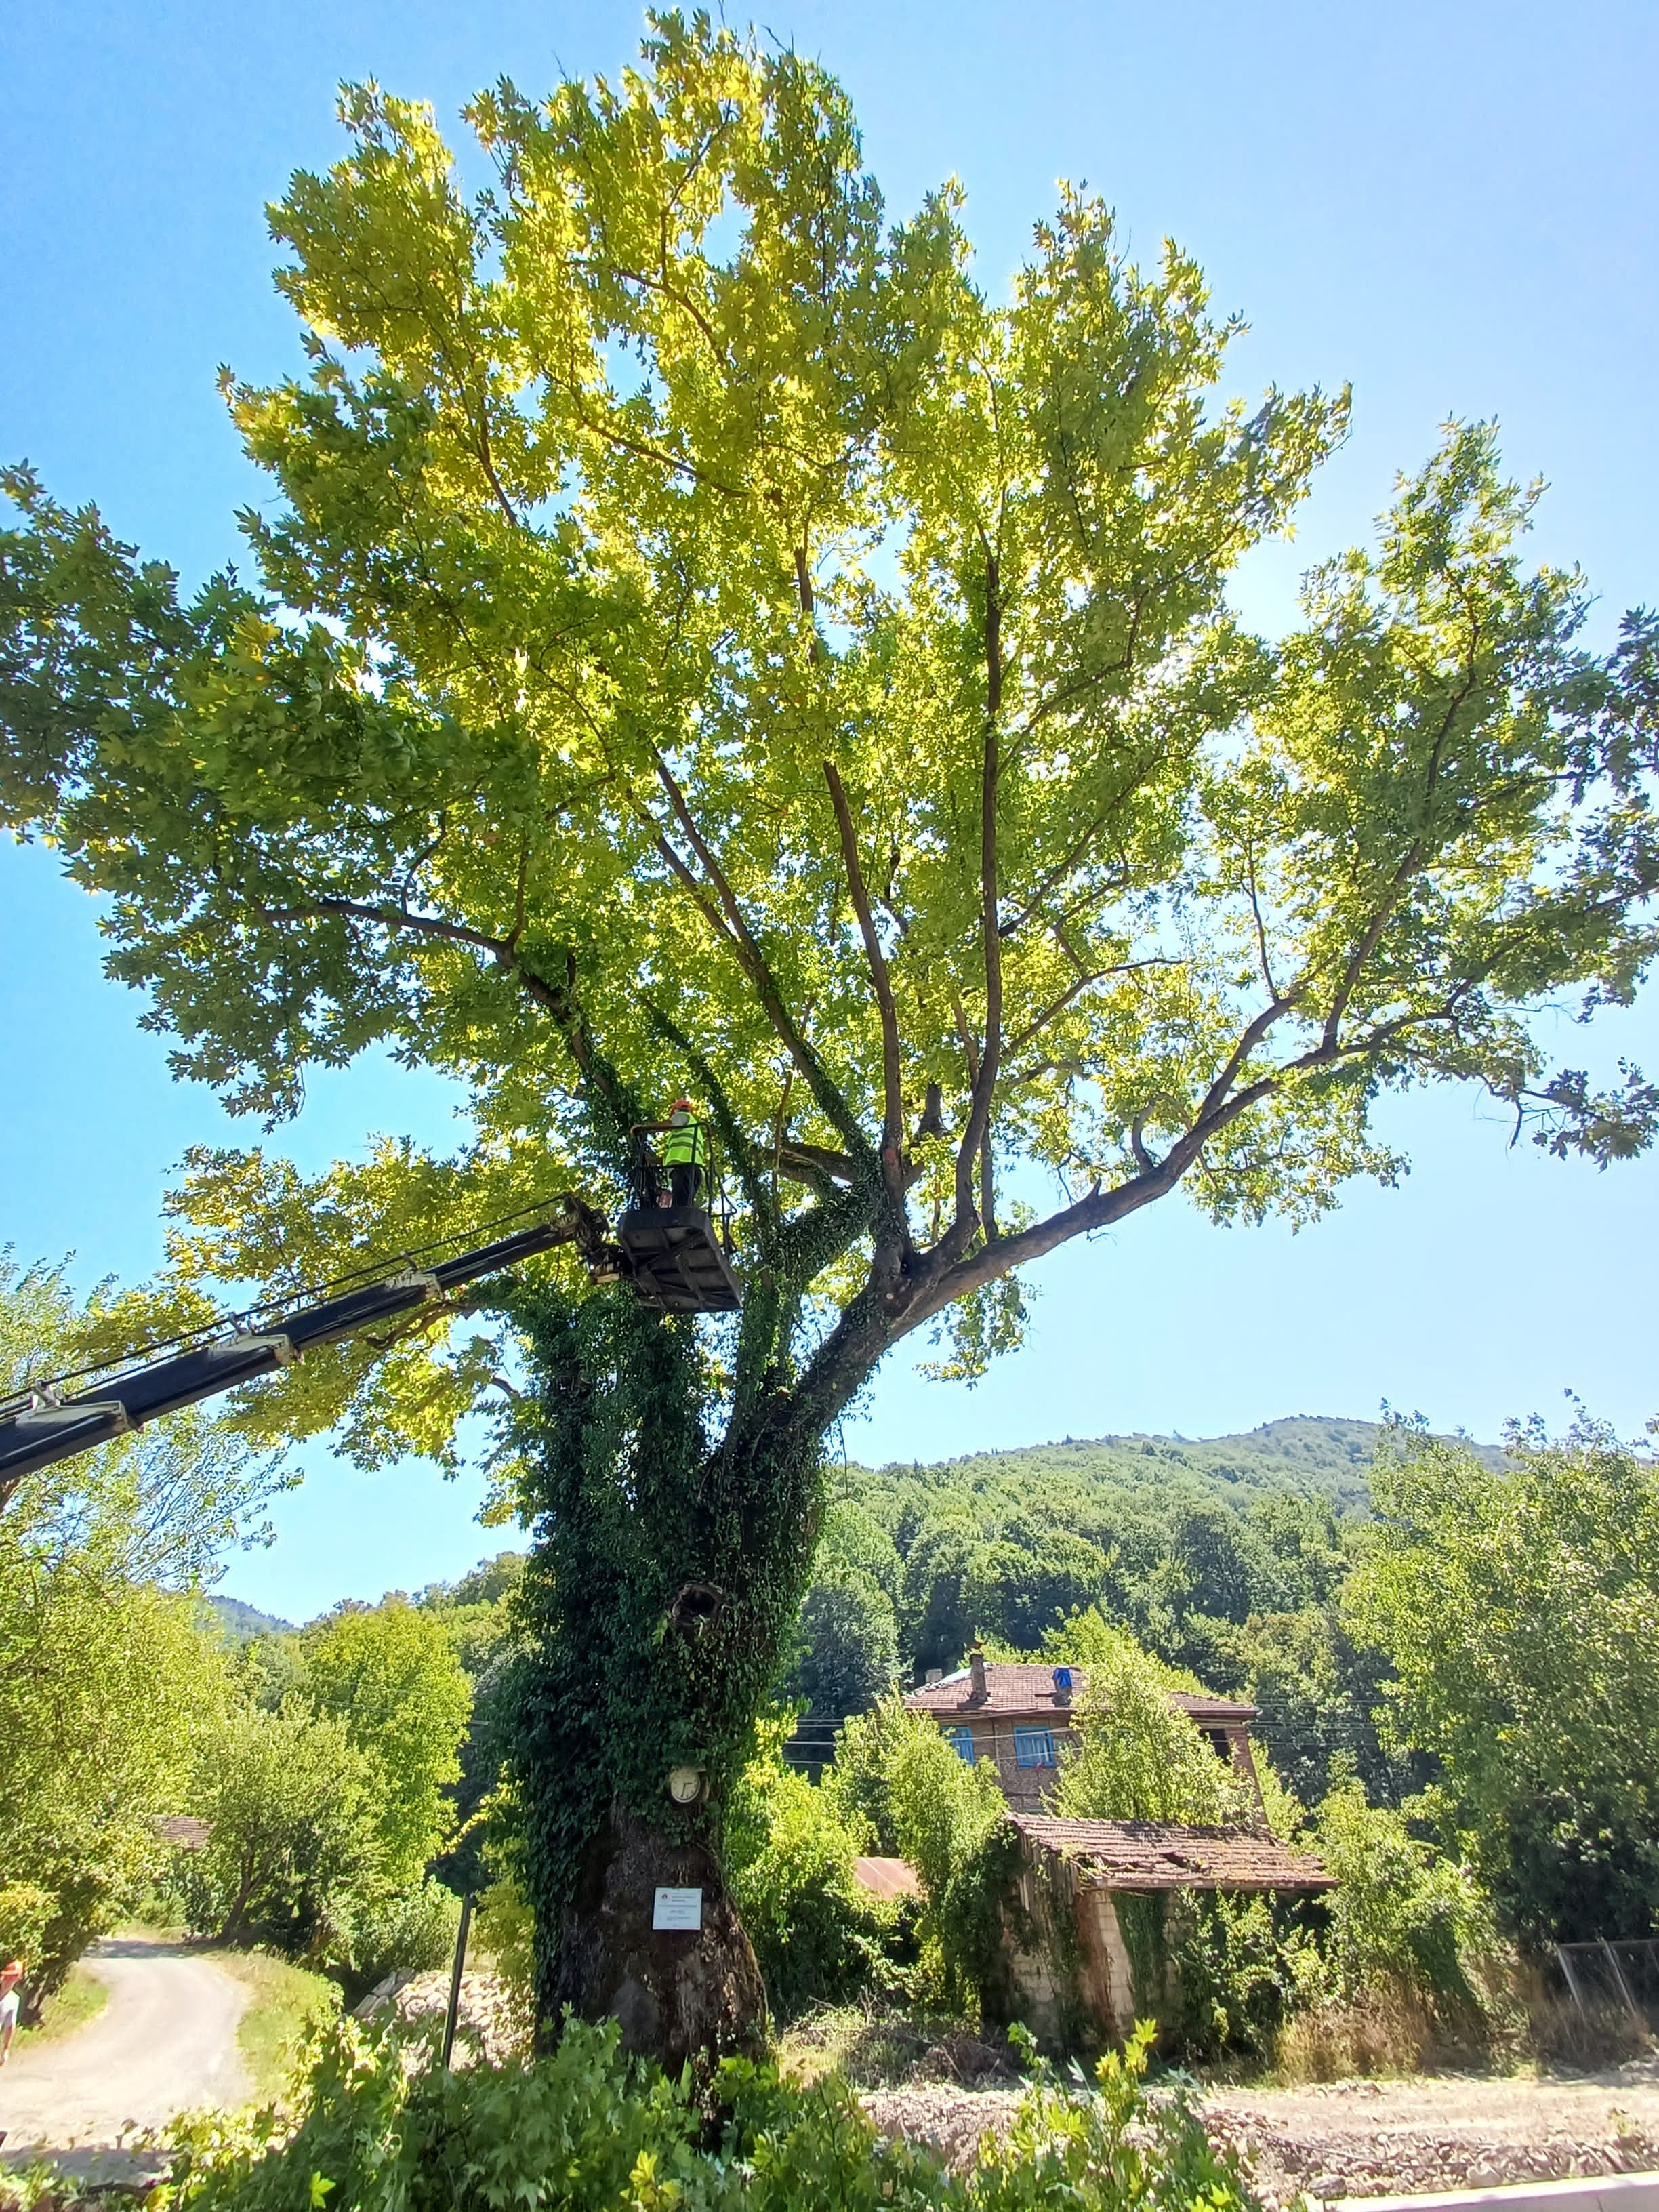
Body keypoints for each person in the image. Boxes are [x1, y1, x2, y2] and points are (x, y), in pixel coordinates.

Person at [659, 1101, 708, 1209]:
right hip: (692, 1170)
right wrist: (651, 1161)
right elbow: (669, 1156)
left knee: (680, 1209)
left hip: (684, 1168)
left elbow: (668, 1124)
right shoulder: (690, 1129)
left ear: (676, 1111)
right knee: (684, 1204)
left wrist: (643, 1128)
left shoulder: (683, 1116)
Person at [0, 1960, 22, 2064]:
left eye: (13, 1977)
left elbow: (10, 2026)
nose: (9, 1980)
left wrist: (5, 2050)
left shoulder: (13, 2000)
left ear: (18, 1979)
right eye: (7, 1976)